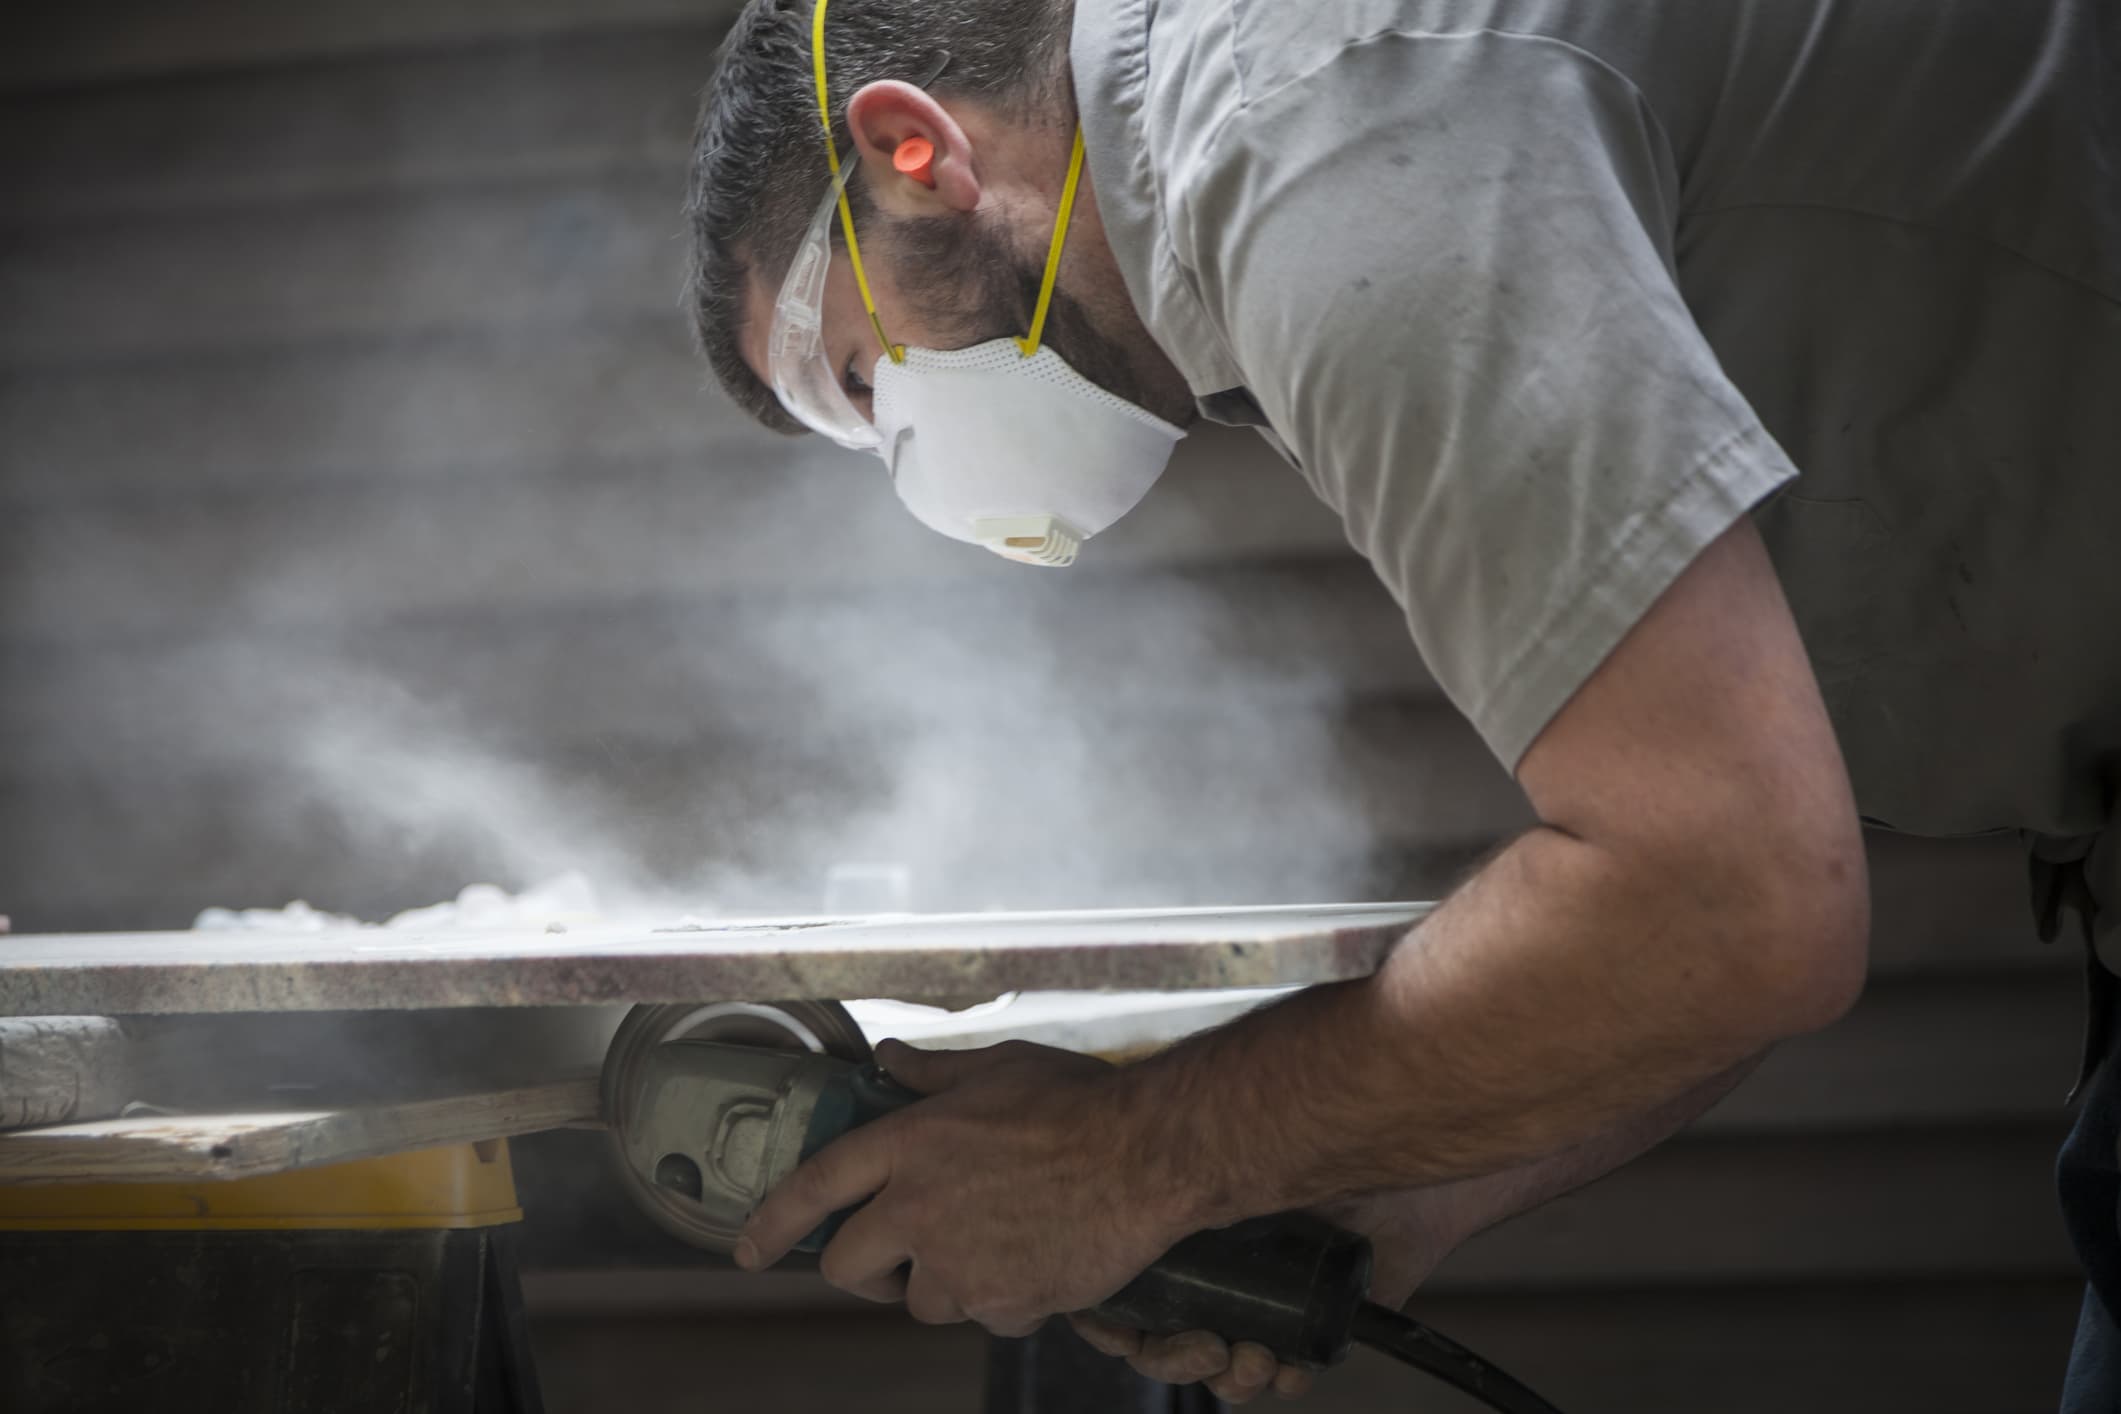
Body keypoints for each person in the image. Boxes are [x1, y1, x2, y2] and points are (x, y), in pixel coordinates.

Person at [683, 0, 2121, 1404]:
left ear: (913, 148)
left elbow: (1729, 899)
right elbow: (1706, 912)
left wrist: (1121, 1158)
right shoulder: (1304, 157)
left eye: (861, 385)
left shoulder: (1325, 149)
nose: (902, 458)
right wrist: (1389, 1178)